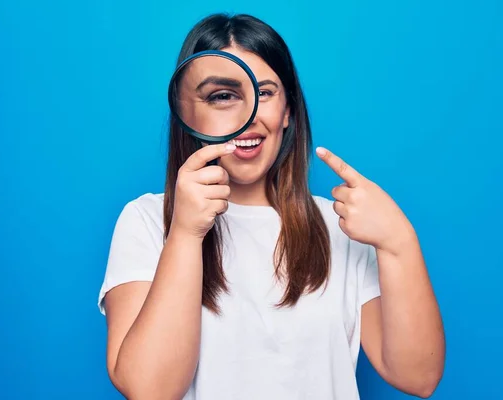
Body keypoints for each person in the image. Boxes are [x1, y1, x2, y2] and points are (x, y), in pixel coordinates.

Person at [97, 13, 445, 400]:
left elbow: (418, 376)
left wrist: (399, 242)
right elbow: (150, 390)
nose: (249, 118)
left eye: (264, 93)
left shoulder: (343, 226)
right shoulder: (146, 220)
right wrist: (184, 234)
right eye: (223, 96)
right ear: (187, 113)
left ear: (288, 112)